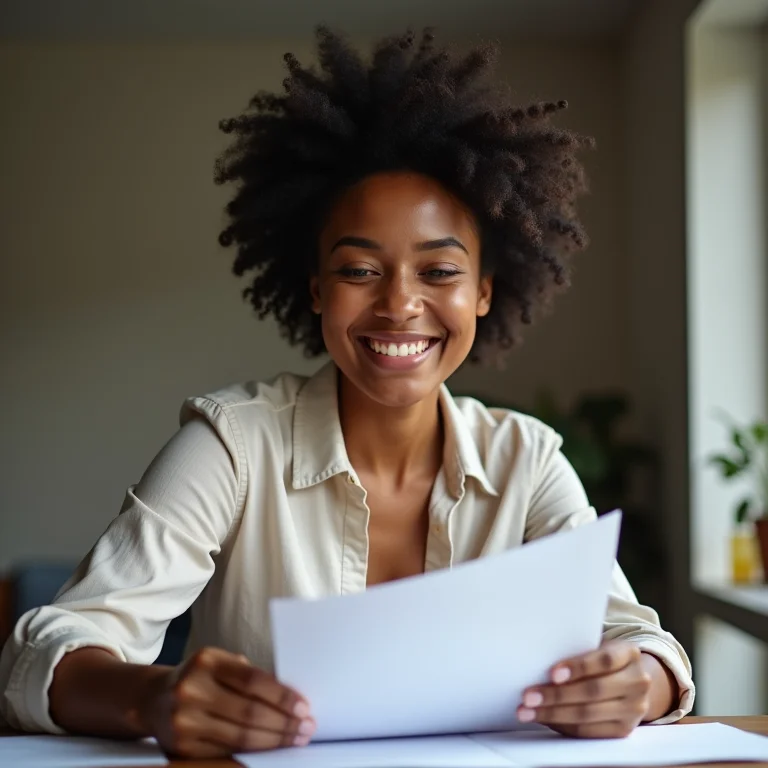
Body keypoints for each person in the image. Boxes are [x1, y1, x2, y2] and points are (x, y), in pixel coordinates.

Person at [0, 27, 693, 759]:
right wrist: (153, 696)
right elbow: (48, 648)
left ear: (485, 292)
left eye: (439, 272)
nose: (399, 305)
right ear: (316, 291)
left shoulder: (527, 460)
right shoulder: (233, 445)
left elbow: (637, 642)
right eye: (360, 271)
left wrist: (638, 682)